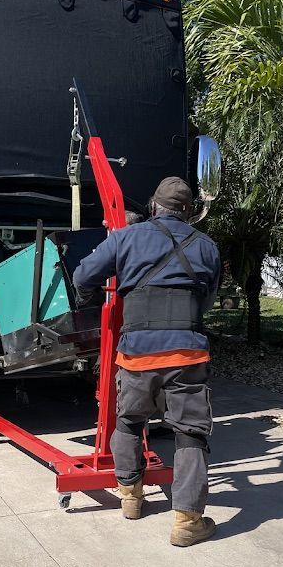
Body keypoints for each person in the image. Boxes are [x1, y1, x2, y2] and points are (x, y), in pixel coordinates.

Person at [73, 177, 221, 547]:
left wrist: (87, 294)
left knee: (127, 422)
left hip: (137, 352)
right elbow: (207, 301)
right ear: (188, 211)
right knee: (190, 433)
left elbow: (83, 275)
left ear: (154, 206)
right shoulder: (207, 246)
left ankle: (131, 497)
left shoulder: (127, 237)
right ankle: (187, 520)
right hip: (188, 353)